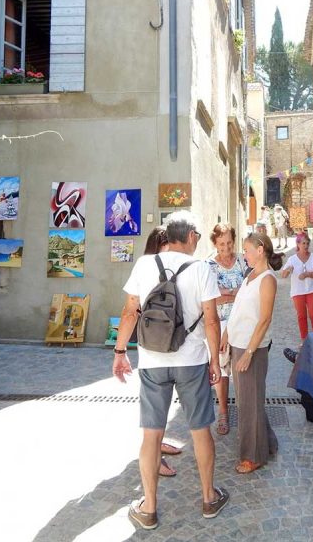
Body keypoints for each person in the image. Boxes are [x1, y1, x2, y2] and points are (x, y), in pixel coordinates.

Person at [113, 211, 229, 530]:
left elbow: (129, 312)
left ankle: (149, 508)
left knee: (151, 435)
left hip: (152, 361)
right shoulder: (202, 269)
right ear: (191, 236)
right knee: (200, 429)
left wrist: (120, 350)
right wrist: (215, 362)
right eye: (199, 237)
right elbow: (210, 320)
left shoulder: (143, 264)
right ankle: (209, 497)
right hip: (191, 361)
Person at [222, 233, 282, 473]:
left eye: (246, 250)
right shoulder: (250, 276)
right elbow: (238, 309)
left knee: (249, 404)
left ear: (260, 250)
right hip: (239, 343)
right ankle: (268, 444)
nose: (243, 254)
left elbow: (264, 319)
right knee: (249, 399)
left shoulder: (267, 279)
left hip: (252, 349)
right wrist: (227, 334)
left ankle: (252, 456)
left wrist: (249, 351)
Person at [141, 226, 183, 477]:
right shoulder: (149, 268)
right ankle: (155, 460)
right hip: (154, 345)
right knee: (154, 407)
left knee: (163, 402)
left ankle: (161, 443)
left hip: (163, 343)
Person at [207, 223, 247, 436]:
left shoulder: (243, 260)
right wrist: (236, 292)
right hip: (219, 323)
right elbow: (211, 298)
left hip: (243, 323)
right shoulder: (208, 266)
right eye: (221, 243)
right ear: (214, 243)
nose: (226, 247)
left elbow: (250, 291)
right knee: (221, 370)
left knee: (243, 367)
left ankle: (245, 411)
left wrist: (226, 292)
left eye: (229, 242)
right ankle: (223, 411)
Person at [281, 232, 313, 364]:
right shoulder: (292, 259)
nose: (305, 245)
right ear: (298, 244)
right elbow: (283, 274)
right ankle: (304, 340)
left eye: (307, 243)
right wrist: (287, 271)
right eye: (302, 243)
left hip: (312, 290)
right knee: (301, 316)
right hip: (297, 291)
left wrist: (307, 274)